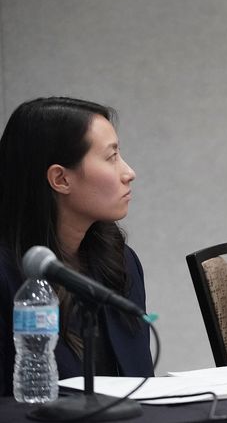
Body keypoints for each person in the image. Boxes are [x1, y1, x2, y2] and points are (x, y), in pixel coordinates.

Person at [0, 97, 153, 396]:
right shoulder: (6, 275)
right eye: (111, 157)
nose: (128, 172)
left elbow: (141, 379)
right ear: (60, 178)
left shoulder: (119, 260)